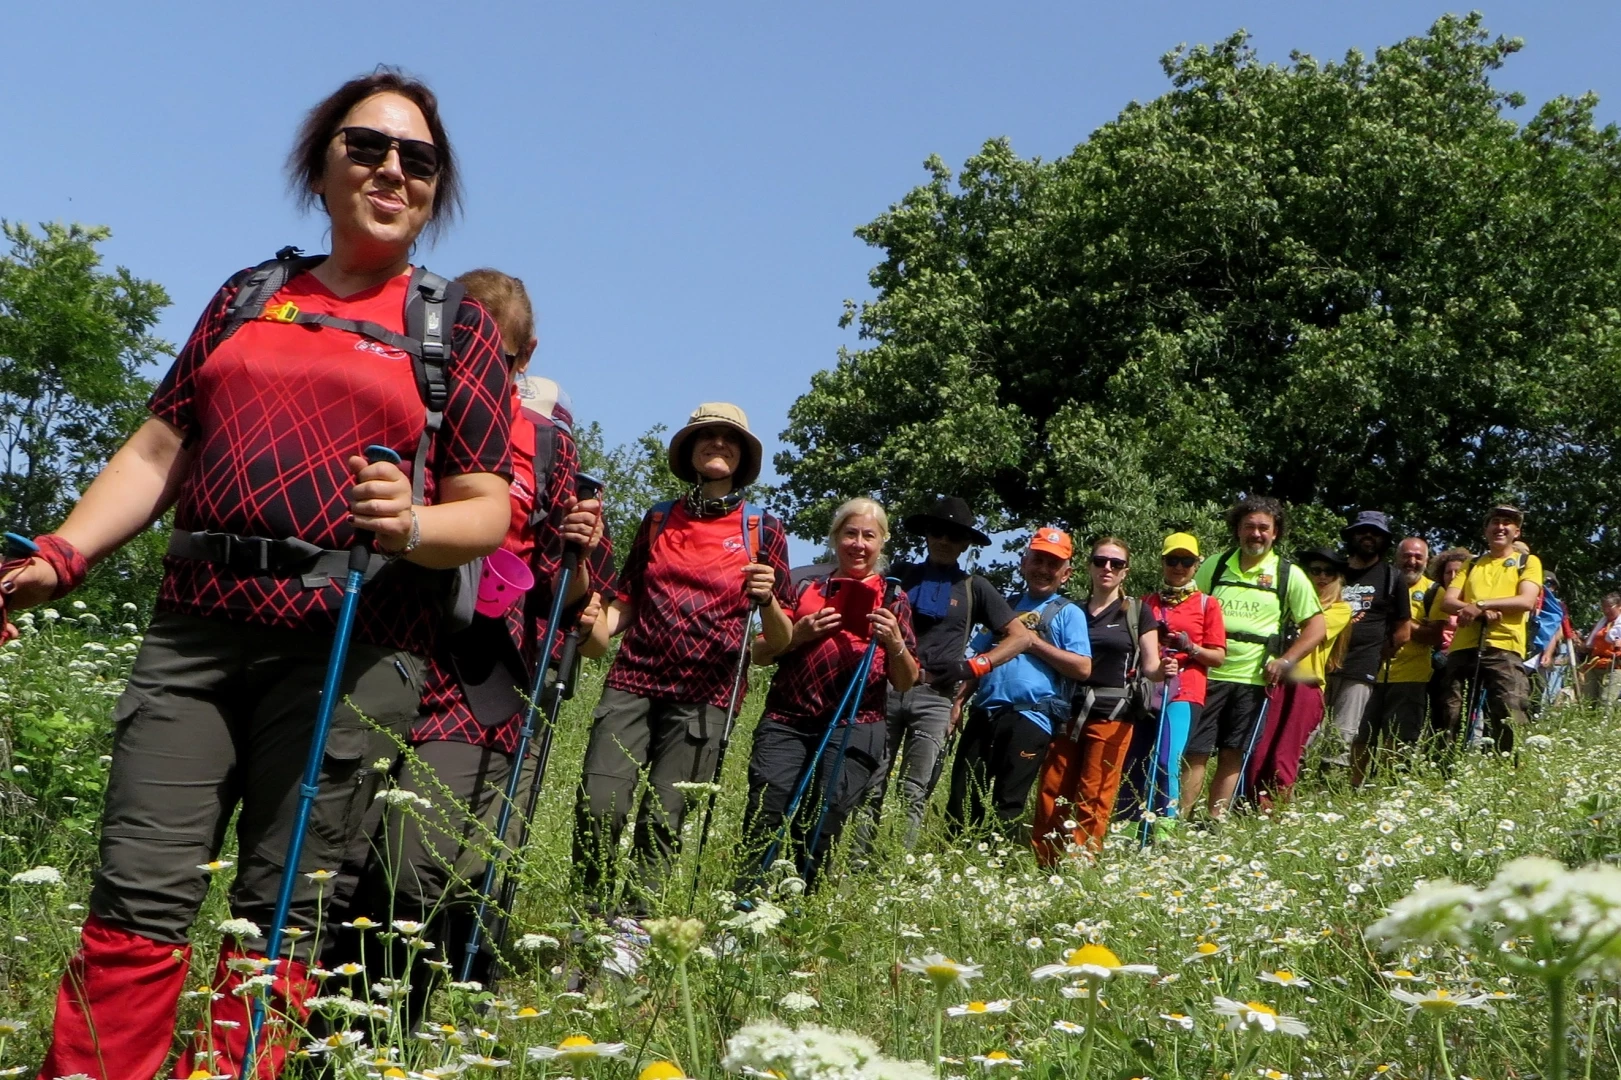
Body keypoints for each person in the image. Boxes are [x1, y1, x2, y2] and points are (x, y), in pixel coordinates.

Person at [5, 71, 515, 1080]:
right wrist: (61, 553)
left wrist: (411, 522)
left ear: (434, 188)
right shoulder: (248, 296)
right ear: (321, 165)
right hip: (195, 633)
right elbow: (158, 451)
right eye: (366, 146)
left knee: (285, 911)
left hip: (352, 647)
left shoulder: (457, 330)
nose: (390, 170)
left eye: (418, 160)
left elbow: (489, 509)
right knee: (139, 894)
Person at [324, 272, 608, 1020]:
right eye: (460, 356)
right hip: (375, 641)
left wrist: (576, 551)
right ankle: (320, 1026)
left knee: (418, 857)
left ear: (525, 354)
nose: (480, 375)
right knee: (339, 851)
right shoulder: (394, 391)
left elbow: (566, 598)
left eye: (501, 361)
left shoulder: (548, 448)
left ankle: (400, 1026)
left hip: (482, 669)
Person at [572, 404, 795, 922]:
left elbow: (778, 640)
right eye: (706, 437)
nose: (718, 444)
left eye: (730, 439)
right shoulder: (658, 518)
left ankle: (634, 931)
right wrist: (591, 622)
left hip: (708, 695)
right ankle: (585, 921)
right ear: (689, 452)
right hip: (633, 678)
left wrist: (768, 601)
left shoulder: (763, 528)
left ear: (743, 457)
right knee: (598, 806)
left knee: (662, 820)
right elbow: (626, 600)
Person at [742, 498, 919, 886]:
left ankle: (800, 913)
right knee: (766, 810)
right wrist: (800, 634)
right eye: (850, 533)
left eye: (869, 536)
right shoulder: (804, 585)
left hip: (856, 723)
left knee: (823, 819)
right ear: (835, 538)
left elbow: (906, 681)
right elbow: (759, 653)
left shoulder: (895, 600)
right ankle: (746, 906)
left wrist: (894, 644)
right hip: (788, 719)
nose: (858, 544)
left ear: (882, 543)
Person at [860, 495, 1029, 848]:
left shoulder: (974, 587)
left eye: (953, 536)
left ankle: (895, 869)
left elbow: (1020, 637)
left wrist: (973, 666)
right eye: (937, 532)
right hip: (883, 691)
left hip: (935, 699)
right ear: (926, 534)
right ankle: (858, 863)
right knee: (870, 784)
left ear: (965, 542)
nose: (944, 541)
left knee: (915, 789)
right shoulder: (899, 575)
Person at [1182, 496, 1325, 819]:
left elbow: (1317, 627)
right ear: (1237, 530)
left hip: (1253, 680)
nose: (1256, 534)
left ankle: (1214, 822)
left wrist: (1286, 660)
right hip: (1207, 675)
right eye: (1249, 527)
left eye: (1264, 528)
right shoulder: (1215, 566)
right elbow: (1189, 608)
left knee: (1233, 753)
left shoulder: (1289, 574)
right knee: (1196, 752)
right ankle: (1178, 822)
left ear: (1275, 533)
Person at [944, 528, 1092, 834]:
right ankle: (951, 862)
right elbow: (980, 658)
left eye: (1053, 564)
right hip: (984, 713)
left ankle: (998, 867)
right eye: (1037, 560)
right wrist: (958, 702)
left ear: (1066, 574)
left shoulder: (1069, 613)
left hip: (1031, 717)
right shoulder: (1003, 607)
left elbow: (1083, 668)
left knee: (1008, 803)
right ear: (1024, 562)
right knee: (961, 798)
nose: (1043, 570)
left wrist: (1032, 643)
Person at [1030, 537, 1159, 861]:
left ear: (1125, 571)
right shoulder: (1069, 610)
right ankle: (1046, 863)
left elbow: (1151, 666)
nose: (1107, 568)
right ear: (1088, 566)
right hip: (1066, 710)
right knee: (1052, 791)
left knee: (1094, 795)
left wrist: (1164, 672)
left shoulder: (1138, 612)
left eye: (1116, 563)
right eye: (1101, 561)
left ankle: (1082, 865)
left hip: (1113, 714)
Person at [1242, 548, 1353, 808]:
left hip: (1305, 685)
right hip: (1273, 681)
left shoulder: (1340, 610)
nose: (1322, 577)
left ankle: (1275, 812)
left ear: (1338, 578)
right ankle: (1246, 807)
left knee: (1285, 754)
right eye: (1315, 571)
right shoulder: (1289, 600)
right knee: (1258, 749)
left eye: (1329, 572)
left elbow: (1312, 628)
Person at [1133, 532, 1227, 824]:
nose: (1179, 567)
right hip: (1148, 688)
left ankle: (1167, 826)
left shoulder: (1206, 604)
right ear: (1162, 562)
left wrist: (1191, 647)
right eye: (1173, 560)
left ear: (1197, 565)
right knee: (1135, 761)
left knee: (1166, 760)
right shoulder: (1144, 602)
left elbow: (1218, 657)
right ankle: (1132, 824)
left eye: (1186, 561)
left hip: (1186, 689)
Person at [1439, 506, 1544, 753]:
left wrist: (1482, 604)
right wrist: (1478, 611)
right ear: (1486, 530)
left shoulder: (1528, 562)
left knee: (1510, 710)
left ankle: (1509, 769)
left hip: (1504, 647)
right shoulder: (1471, 564)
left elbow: (1526, 601)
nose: (1500, 527)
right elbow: (1448, 601)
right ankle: (1446, 769)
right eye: (1495, 522)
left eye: (1507, 523)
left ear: (1516, 532)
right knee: (1451, 712)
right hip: (1464, 646)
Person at [1326, 511, 1410, 785]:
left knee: (1343, 735)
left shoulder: (1391, 577)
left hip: (1361, 668)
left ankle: (1327, 791)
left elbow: (1403, 631)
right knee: (1306, 730)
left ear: (1384, 540)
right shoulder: (1333, 570)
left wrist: (1376, 655)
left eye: (1376, 534)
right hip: (1320, 663)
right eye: (1363, 531)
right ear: (1352, 535)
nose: (1369, 537)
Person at [1370, 537, 1437, 757]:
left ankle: (1392, 786)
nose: (1412, 561)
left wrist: (1404, 621)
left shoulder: (1433, 591)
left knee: (1400, 740)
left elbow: (1436, 636)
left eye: (1418, 557)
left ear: (1427, 561)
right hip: (1370, 672)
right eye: (1406, 556)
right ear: (1396, 558)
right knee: (1360, 736)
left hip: (1411, 678)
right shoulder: (1379, 583)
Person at [1425, 547, 1472, 730]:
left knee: (1460, 713)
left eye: (1458, 572)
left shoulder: (1473, 599)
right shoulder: (1432, 597)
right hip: (1435, 664)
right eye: (1448, 572)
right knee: (1436, 714)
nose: (1452, 576)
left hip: (1464, 661)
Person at [1582, 592, 1621, 707]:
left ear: (1619, 606)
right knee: (1589, 701)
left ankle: (1605, 724)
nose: (1606, 610)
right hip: (1595, 664)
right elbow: (1589, 645)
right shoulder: (1602, 624)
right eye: (1603, 607)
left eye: (1609, 607)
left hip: (1614, 665)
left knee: (1606, 701)